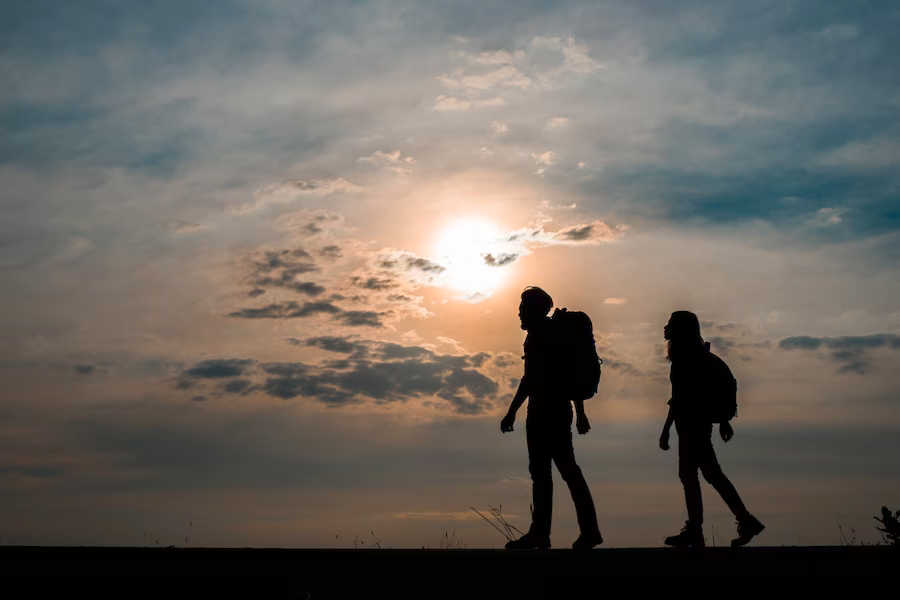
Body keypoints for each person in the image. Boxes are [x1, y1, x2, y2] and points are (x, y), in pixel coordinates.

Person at [500, 286, 603, 550]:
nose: (519, 313)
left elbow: (530, 379)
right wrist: (580, 414)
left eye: (523, 308)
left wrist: (511, 411)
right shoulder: (553, 334)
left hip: (544, 413)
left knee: (548, 475)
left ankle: (543, 534)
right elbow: (569, 376)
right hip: (558, 411)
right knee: (565, 472)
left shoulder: (538, 337)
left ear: (534, 310)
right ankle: (580, 532)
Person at [658, 310, 765, 548]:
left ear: (680, 331)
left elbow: (678, 400)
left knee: (698, 475)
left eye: (670, 325)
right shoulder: (699, 357)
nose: (665, 328)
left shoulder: (684, 360)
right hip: (698, 424)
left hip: (691, 426)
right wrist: (722, 420)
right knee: (706, 474)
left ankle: (706, 528)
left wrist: (665, 430)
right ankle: (725, 523)